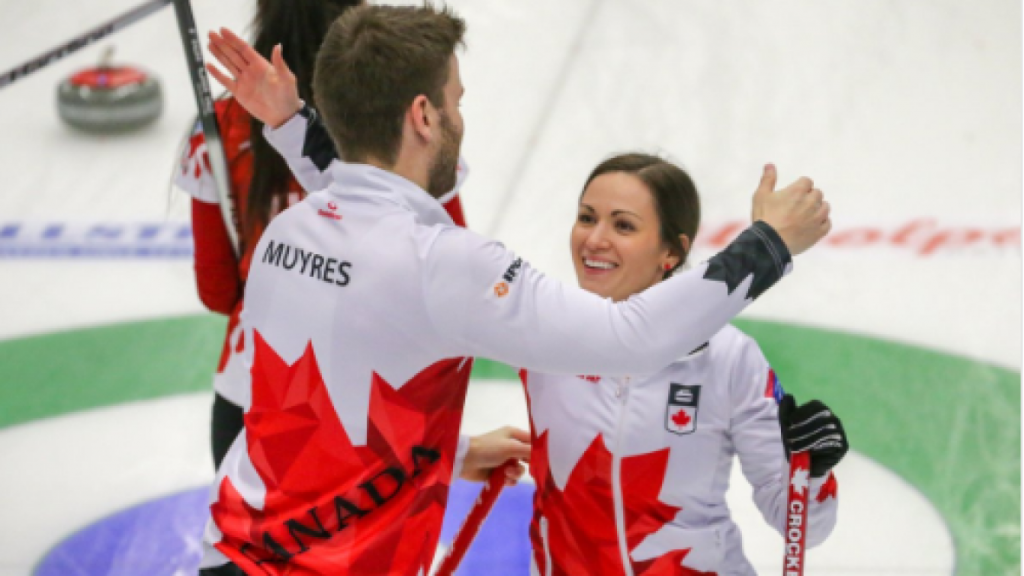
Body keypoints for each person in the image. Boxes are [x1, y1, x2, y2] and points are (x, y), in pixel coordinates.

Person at [199, 5, 831, 576]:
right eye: (455, 102)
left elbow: (365, 216)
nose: (459, 119)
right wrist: (769, 243)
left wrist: (290, 124)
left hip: (228, 553)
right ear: (424, 116)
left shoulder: (289, 233)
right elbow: (632, 338)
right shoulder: (441, 265)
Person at [512, 153, 846, 575]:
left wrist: (811, 472)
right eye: (586, 217)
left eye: (623, 225)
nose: (594, 239)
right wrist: (464, 450)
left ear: (671, 252)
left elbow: (802, 525)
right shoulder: (542, 336)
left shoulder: (728, 356)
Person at [175, 0, 469, 468]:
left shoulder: (223, 127)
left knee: (239, 543)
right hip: (375, 402)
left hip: (251, 395)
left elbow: (217, 290)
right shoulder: (409, 130)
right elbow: (449, 273)